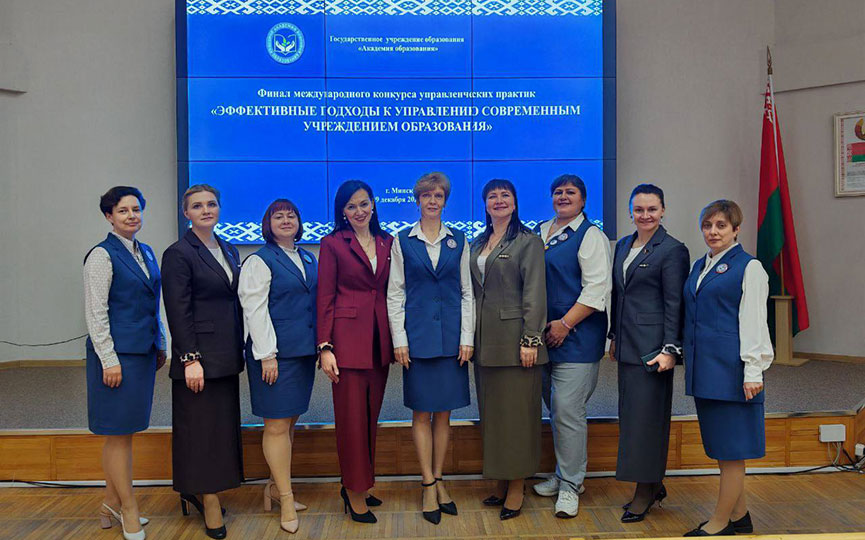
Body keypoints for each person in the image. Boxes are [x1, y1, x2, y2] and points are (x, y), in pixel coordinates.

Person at [386, 172, 475, 525]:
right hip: (418, 340)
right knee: (422, 414)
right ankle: (427, 484)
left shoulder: (459, 240)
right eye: (426, 195)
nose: (432, 201)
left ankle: (439, 480)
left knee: (445, 415)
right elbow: (395, 292)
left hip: (452, 341)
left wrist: (467, 337)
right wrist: (399, 339)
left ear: (445, 200)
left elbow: (467, 292)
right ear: (418, 200)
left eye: (438, 195)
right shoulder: (402, 241)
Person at [682, 200, 773, 537]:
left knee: (733, 453)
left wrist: (753, 371)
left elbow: (754, 323)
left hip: (733, 373)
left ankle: (719, 523)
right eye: (707, 225)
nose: (713, 232)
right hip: (705, 372)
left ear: (736, 229)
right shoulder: (700, 266)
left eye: (721, 225)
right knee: (723, 449)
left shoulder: (750, 267)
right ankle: (740, 516)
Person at [162, 184, 244, 540]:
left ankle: (202, 489)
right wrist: (190, 358)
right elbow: (177, 310)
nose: (206, 210)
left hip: (226, 354)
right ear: (186, 213)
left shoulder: (228, 248)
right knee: (200, 431)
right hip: (198, 359)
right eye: (197, 206)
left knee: (219, 429)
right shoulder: (178, 253)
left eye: (211, 204)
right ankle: (207, 498)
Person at [84, 186, 166, 540]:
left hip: (143, 353)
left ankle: (109, 504)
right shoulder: (101, 255)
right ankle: (128, 508)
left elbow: (153, 303)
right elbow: (96, 312)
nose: (131, 216)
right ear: (109, 216)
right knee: (117, 435)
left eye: (136, 209)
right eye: (122, 211)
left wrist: (160, 342)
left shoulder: (145, 252)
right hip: (116, 359)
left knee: (125, 433)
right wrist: (108, 359)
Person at [530, 174, 612, 519]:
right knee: (556, 409)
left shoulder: (591, 235)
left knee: (567, 409)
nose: (563, 196)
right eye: (558, 192)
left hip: (577, 338)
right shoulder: (540, 231)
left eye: (571, 192)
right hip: (544, 338)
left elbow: (596, 289)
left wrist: (564, 324)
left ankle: (571, 485)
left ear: (583, 200)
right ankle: (563, 473)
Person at [608, 184, 689, 523]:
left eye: (652, 209)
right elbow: (619, 296)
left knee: (647, 422)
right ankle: (653, 484)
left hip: (654, 351)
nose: (645, 215)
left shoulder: (672, 250)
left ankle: (645, 490)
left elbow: (675, 304)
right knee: (633, 419)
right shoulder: (623, 245)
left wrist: (670, 349)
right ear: (631, 212)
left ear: (663, 210)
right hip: (627, 346)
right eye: (639, 209)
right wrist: (614, 336)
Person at [317, 180, 394, 524]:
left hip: (379, 343)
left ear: (373, 204)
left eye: (364, 204)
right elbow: (325, 297)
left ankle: (362, 483)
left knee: (369, 420)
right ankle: (353, 491)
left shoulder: (388, 241)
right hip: (346, 345)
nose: (359, 211)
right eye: (351, 206)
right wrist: (325, 347)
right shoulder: (332, 243)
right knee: (351, 423)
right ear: (342, 212)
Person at [470, 178, 547, 521]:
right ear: (485, 204)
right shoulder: (477, 242)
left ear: (515, 203)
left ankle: (517, 487)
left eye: (505, 195)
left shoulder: (528, 241)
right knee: (494, 417)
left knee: (517, 418)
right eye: (492, 196)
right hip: (485, 343)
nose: (498, 200)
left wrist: (531, 339)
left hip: (517, 343)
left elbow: (535, 293)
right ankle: (502, 480)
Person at [238, 199, 317, 534]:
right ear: (267, 224)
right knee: (275, 426)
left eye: (291, 215)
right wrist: (267, 354)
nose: (286, 220)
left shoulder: (308, 257)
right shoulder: (259, 260)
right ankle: (285, 498)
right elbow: (254, 310)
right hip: (273, 356)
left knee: (289, 424)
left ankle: (274, 486)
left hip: (302, 353)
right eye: (278, 216)